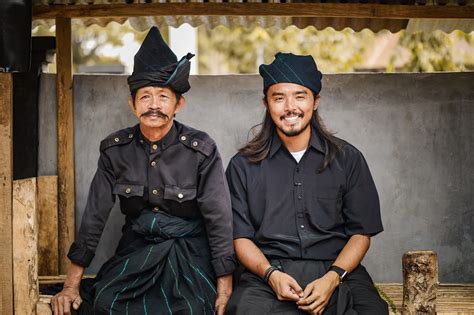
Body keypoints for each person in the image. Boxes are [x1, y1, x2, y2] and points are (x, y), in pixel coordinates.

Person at [51, 26, 235, 315]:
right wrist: (71, 285)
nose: (154, 105)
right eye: (145, 96)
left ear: (178, 104)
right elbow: (94, 216)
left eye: (163, 96)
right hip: (136, 250)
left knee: (192, 307)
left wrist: (225, 289)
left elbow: (219, 218)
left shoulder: (201, 149)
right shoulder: (114, 149)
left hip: (188, 252)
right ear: (132, 103)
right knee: (103, 303)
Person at [225, 52, 388, 314]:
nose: (290, 107)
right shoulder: (242, 166)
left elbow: (361, 233)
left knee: (372, 311)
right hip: (268, 272)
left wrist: (331, 279)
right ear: (266, 103)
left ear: (316, 101)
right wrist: (271, 275)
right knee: (243, 310)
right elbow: (240, 237)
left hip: (336, 269)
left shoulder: (348, 159)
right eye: (279, 97)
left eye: (300, 96)